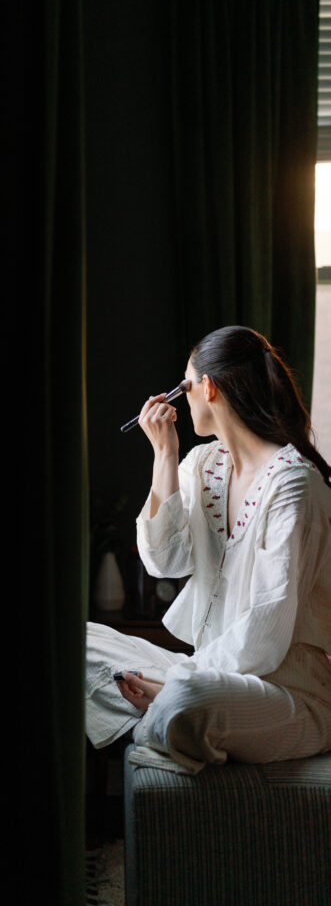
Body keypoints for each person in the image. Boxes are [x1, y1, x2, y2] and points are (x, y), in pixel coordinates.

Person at [86, 325, 331, 773]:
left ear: (208, 387)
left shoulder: (294, 484)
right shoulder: (204, 464)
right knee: (79, 643)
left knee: (189, 699)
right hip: (206, 670)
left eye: (185, 383)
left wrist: (171, 681)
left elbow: (265, 634)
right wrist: (164, 454)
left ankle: (157, 716)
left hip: (286, 695)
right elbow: (164, 562)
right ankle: (160, 715)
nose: (182, 396)